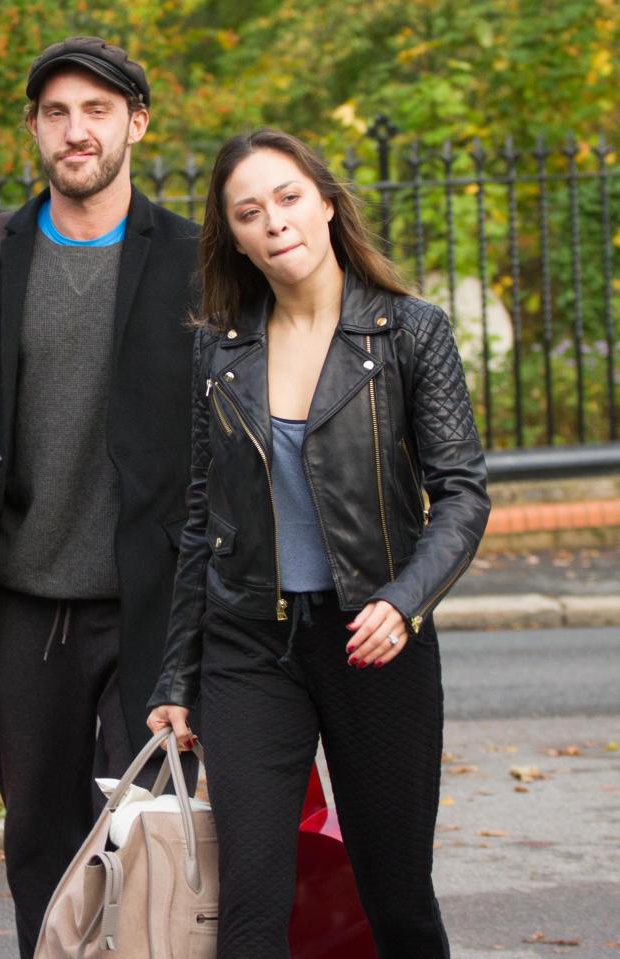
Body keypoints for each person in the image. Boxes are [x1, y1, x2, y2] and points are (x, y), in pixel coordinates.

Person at [0, 37, 200, 958]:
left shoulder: (191, 255)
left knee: (145, 834)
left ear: (135, 125)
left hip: (148, 601)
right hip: (21, 605)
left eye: (97, 112)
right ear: (34, 128)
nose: (76, 131)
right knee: (39, 842)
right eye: (57, 113)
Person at [147, 129, 491, 959]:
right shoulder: (218, 349)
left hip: (373, 645)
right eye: (249, 211)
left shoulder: (407, 331)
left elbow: (461, 495)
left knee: (395, 896)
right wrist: (175, 674)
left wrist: (402, 602)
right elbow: (202, 515)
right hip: (247, 646)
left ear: (327, 202)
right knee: (251, 912)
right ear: (232, 235)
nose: (274, 222)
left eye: (288, 197)